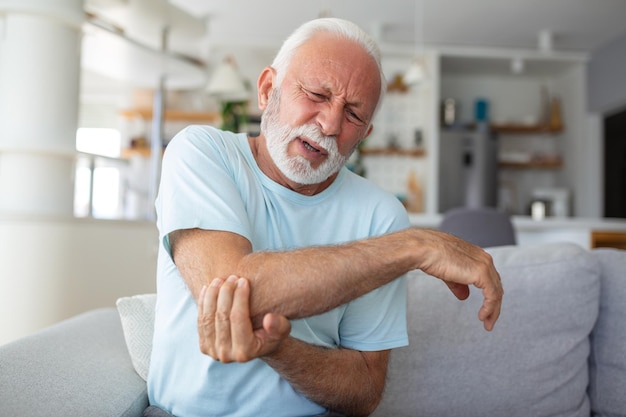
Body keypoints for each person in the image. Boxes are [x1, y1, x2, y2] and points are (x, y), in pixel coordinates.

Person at [147, 17, 503, 417]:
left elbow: (365, 390)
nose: (331, 124)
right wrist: (414, 246)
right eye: (317, 94)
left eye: (353, 114)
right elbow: (230, 289)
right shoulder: (201, 152)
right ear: (268, 90)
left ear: (365, 134)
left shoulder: (380, 215)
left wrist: (280, 349)